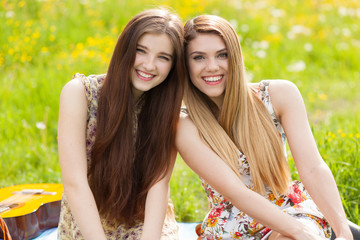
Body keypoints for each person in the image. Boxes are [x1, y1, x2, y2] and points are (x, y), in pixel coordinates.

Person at [175, 15, 353, 240]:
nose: (212, 67)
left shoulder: (278, 95)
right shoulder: (184, 125)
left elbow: (313, 168)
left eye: (223, 55)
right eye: (198, 57)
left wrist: (343, 232)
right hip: (231, 227)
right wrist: (302, 233)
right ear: (185, 64)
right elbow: (237, 193)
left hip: (288, 209)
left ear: (236, 57)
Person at [57, 8, 185, 240]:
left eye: (163, 57)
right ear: (125, 49)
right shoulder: (80, 94)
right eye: (141, 51)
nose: (149, 65)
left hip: (143, 220)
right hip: (88, 219)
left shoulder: (168, 108)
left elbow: (159, 184)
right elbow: (74, 183)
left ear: (174, 65)